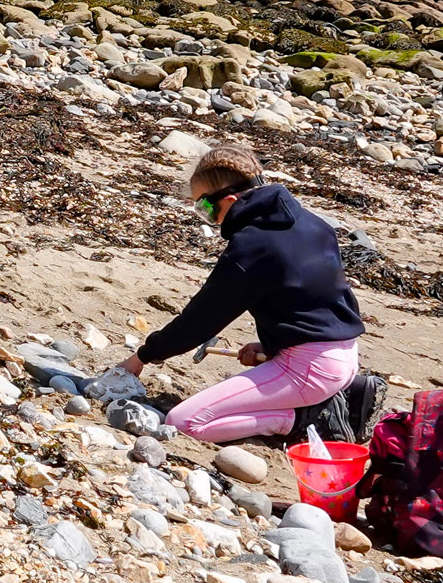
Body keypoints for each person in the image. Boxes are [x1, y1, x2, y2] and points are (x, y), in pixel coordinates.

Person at [119, 144, 383, 445]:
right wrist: (273, 343)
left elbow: (200, 321)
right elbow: (317, 301)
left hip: (310, 369)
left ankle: (306, 419)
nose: (207, 218)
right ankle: (329, 397)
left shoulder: (252, 247)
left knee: (184, 422)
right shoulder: (314, 223)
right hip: (344, 356)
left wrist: (143, 356)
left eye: (204, 209)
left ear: (229, 200)